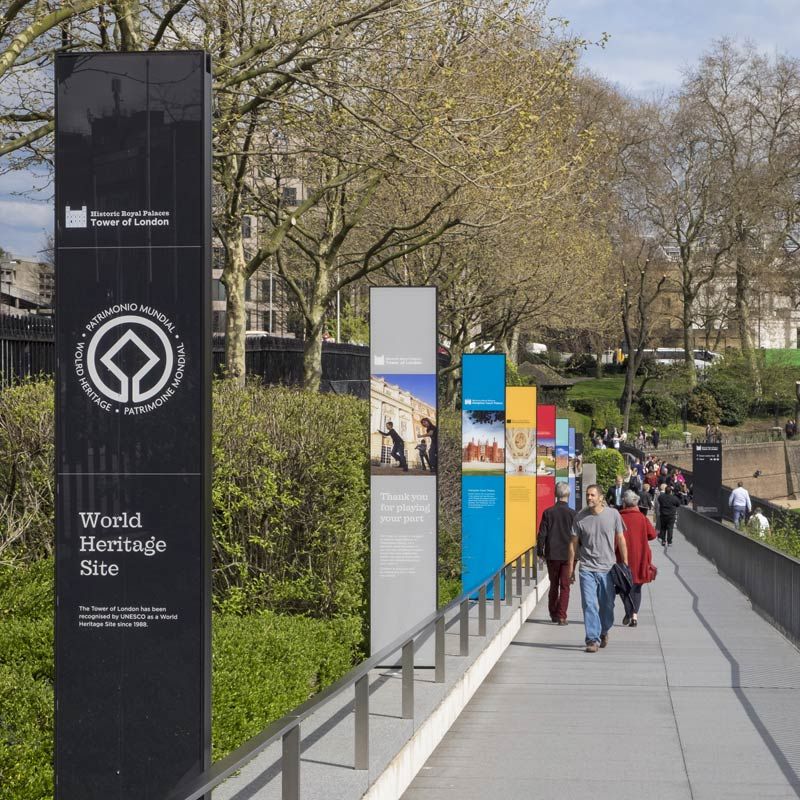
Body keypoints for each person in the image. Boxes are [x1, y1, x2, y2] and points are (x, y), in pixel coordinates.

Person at [569, 485, 628, 653]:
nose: (589, 498)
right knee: (589, 604)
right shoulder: (580, 517)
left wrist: (625, 564)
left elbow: (621, 539)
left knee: (607, 604)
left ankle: (604, 630)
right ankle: (592, 639)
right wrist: (571, 568)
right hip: (586, 567)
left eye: (592, 495)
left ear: (601, 497)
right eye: (588, 495)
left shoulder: (613, 514)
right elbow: (572, 544)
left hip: (608, 568)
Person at [536, 482, 577, 624]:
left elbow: (542, 534)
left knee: (553, 584)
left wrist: (540, 551)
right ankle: (562, 615)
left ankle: (553, 613)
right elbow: (578, 536)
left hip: (552, 554)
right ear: (569, 494)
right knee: (565, 585)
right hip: (568, 555)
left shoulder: (548, 512)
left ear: (555, 494)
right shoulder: (573, 514)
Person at [618, 490, 658, 626]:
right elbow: (652, 535)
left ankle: (629, 611)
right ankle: (634, 615)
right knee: (637, 587)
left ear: (624, 502)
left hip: (623, 557)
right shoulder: (641, 518)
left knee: (623, 586)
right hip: (640, 556)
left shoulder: (619, 517)